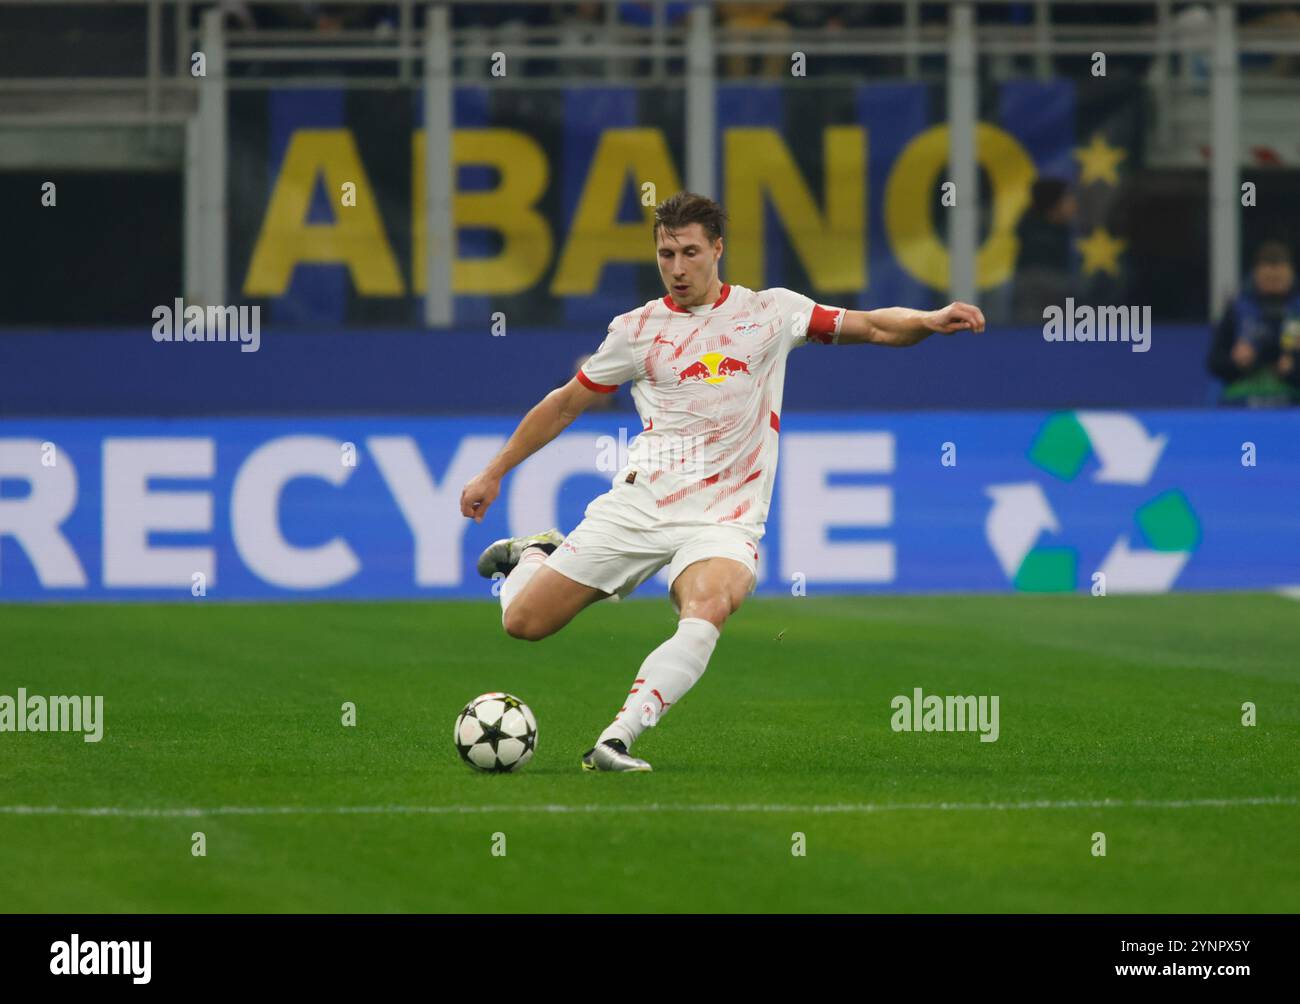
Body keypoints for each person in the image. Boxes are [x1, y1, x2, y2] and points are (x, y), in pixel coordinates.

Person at [458, 192, 985, 772]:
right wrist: (493, 472)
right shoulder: (636, 331)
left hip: (727, 516)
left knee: (710, 603)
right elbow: (563, 405)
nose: (677, 268)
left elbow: (878, 329)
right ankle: (533, 553)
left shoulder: (770, 312)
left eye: (689, 252)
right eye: (665, 254)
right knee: (524, 623)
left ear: (718, 250)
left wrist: (929, 321)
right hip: (642, 502)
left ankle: (615, 739)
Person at [1207, 240, 1300, 407]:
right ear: (1256, 275)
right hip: (1242, 401)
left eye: (1278, 279)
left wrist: (1294, 367)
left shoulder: (1297, 310)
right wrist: (1236, 362)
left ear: (1290, 275)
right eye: (1268, 279)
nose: (1273, 285)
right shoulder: (1237, 311)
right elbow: (1214, 363)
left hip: (1292, 402)